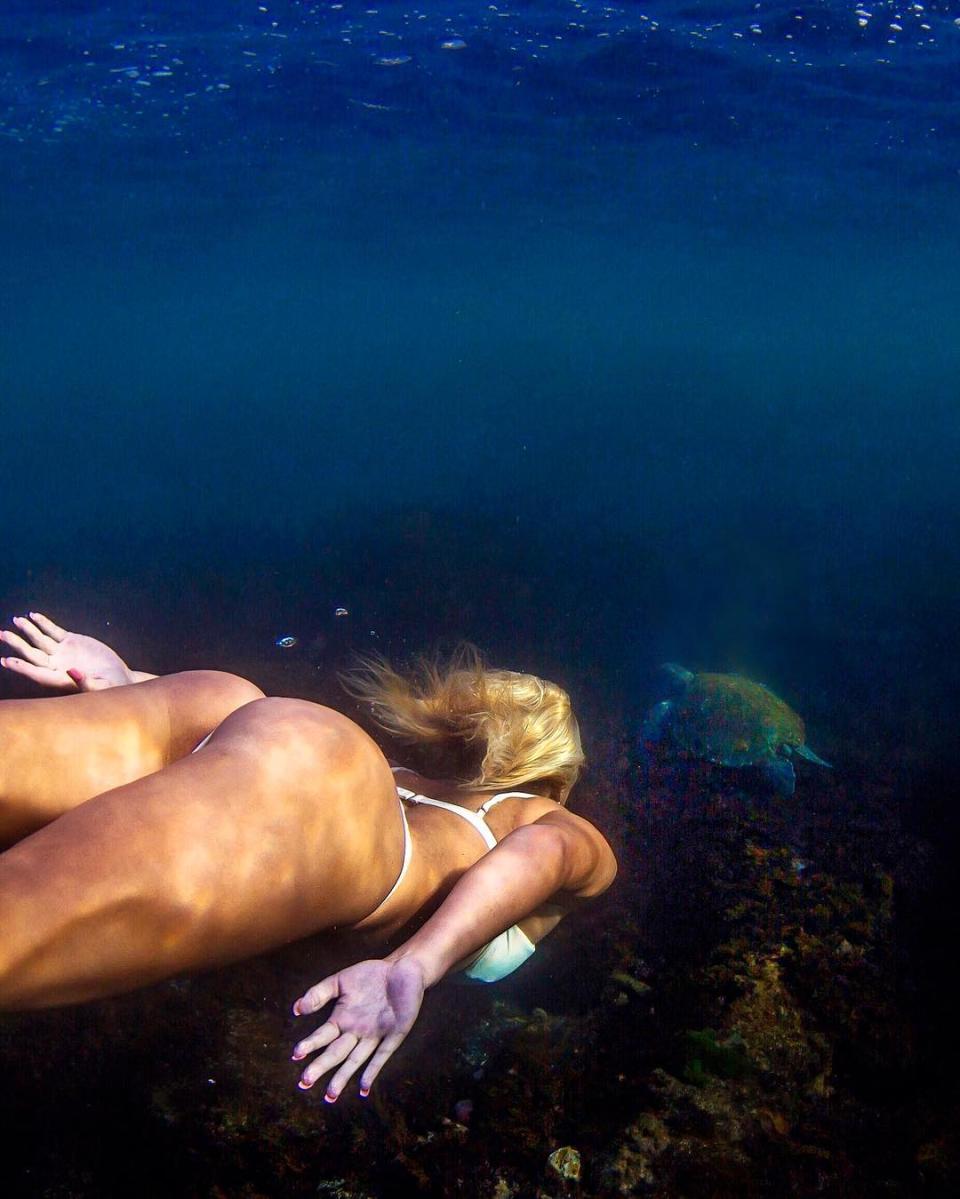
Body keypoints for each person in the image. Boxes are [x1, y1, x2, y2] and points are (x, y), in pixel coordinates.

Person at [0, 612, 617, 1103]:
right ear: (557, 771)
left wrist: (127, 683)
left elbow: (253, 738)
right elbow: (549, 851)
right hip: (316, 787)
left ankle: (131, 689)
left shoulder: (406, 774)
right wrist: (415, 966)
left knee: (237, 705)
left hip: (224, 704)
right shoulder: (543, 817)